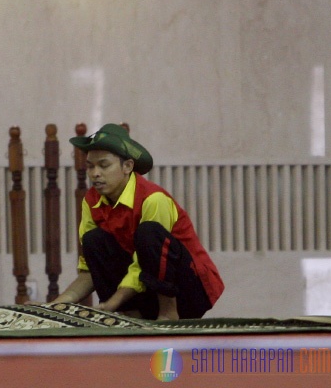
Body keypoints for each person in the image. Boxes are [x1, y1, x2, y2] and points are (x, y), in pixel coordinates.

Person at [51, 123, 224, 320]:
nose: (95, 173)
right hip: (144, 289)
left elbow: (142, 264)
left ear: (127, 166)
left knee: (149, 232)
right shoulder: (91, 201)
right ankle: (131, 317)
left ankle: (168, 314)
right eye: (90, 166)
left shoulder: (153, 198)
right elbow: (90, 268)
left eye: (104, 165)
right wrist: (58, 304)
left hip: (190, 291)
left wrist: (113, 302)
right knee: (93, 240)